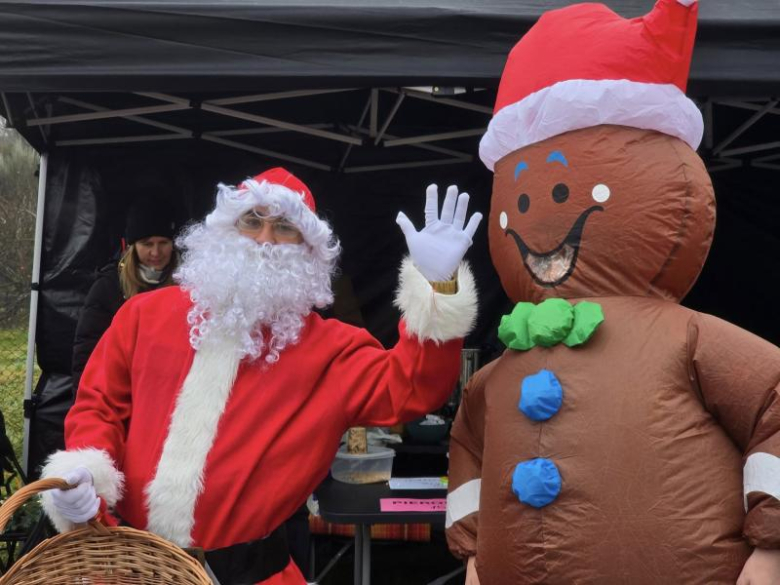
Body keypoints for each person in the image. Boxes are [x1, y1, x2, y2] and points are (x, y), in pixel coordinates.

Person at [445, 1, 780, 584]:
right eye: (519, 194)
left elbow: (774, 402)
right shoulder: (498, 375)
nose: (533, 210)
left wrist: (771, 544)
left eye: (563, 186)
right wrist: (473, 551)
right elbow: (469, 446)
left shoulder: (690, 340)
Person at [41, 167, 482, 585]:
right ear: (226, 230)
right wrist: (85, 472)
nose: (265, 239)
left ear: (308, 252)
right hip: (129, 569)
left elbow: (410, 387)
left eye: (285, 228)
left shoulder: (331, 349)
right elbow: (99, 404)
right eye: (252, 220)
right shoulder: (143, 316)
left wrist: (437, 288)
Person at [71, 198, 178, 395]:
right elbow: (87, 354)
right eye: (147, 244)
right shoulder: (108, 288)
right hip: (123, 393)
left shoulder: (186, 284)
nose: (156, 252)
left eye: (163, 242)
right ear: (132, 246)